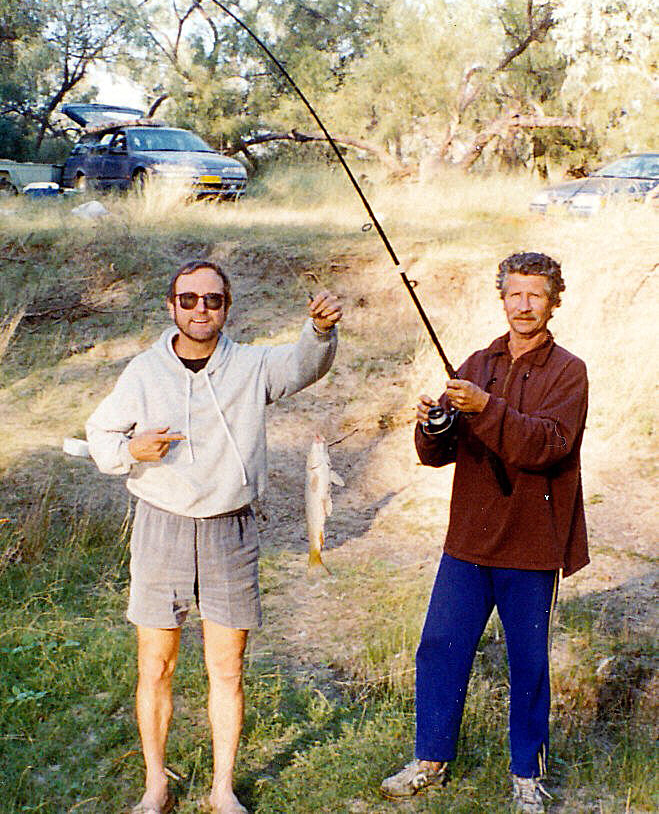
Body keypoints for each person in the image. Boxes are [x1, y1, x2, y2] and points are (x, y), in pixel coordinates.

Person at [86, 259, 342, 814]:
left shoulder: (251, 365)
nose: (200, 309)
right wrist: (133, 450)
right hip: (161, 524)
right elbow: (100, 434)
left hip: (231, 529)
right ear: (170, 306)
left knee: (227, 668)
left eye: (213, 300)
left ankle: (221, 788)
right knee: (156, 666)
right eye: (188, 299)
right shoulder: (143, 372)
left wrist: (320, 331)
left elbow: (304, 365)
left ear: (227, 307)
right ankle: (156, 785)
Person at [380, 252, 589, 813]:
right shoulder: (477, 362)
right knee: (440, 648)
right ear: (502, 298)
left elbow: (548, 444)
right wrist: (435, 423)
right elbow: (436, 455)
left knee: (529, 663)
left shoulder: (570, 371)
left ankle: (527, 773)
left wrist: (486, 408)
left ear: (553, 301)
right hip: (468, 543)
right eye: (514, 294)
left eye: (536, 295)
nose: (524, 305)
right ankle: (430, 759)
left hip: (532, 544)